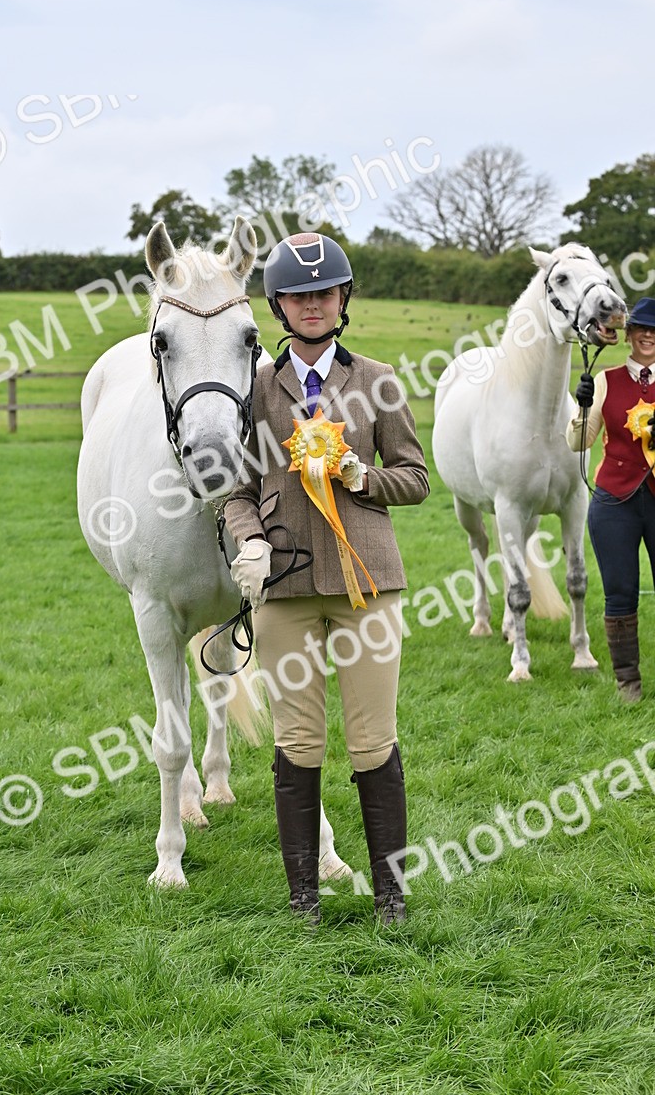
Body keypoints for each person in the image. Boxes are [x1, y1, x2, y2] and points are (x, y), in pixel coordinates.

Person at [223, 231, 429, 925]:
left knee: (373, 740)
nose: (312, 305)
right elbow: (237, 490)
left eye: (325, 293)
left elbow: (416, 477)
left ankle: (391, 895)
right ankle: (303, 897)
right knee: (297, 741)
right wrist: (250, 541)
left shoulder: (376, 379)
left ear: (343, 300)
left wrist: (362, 477)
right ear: (278, 307)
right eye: (297, 295)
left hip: (366, 584)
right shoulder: (255, 389)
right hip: (285, 587)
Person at [566, 296, 655, 703]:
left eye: (654, 331)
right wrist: (582, 407)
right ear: (629, 334)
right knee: (620, 591)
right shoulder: (606, 380)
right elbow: (578, 442)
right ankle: (628, 683)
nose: (648, 336)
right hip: (615, 501)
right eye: (641, 329)